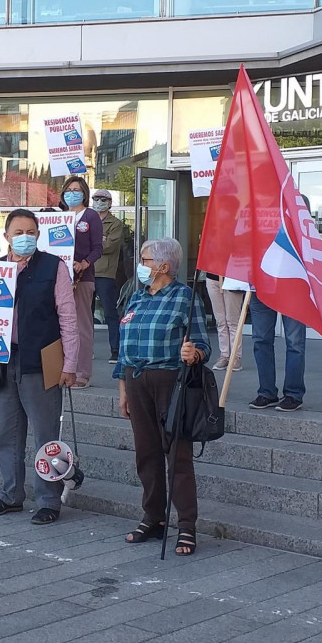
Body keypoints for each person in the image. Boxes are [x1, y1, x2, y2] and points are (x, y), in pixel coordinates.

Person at [0, 210, 78, 524]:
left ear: (38, 235)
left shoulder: (53, 267)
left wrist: (70, 364)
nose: (25, 236)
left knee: (46, 437)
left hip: (42, 361)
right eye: (18, 231)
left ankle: (49, 501)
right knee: (7, 434)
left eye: (31, 230)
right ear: (6, 236)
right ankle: (11, 494)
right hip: (3, 361)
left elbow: (68, 319)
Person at [116, 238, 209, 557]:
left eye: (144, 259)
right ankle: (153, 517)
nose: (139, 264)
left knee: (177, 456)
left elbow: (203, 344)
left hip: (171, 382)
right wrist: (123, 387)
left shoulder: (185, 297)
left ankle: (186, 525)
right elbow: (125, 345)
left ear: (163, 266)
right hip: (137, 381)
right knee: (146, 453)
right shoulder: (136, 297)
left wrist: (193, 352)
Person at [60, 176, 103, 387]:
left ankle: (82, 372)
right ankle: (64, 367)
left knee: (82, 326)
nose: (72, 193)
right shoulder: (59, 217)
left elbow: (98, 248)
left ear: (84, 192)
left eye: (77, 189)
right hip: (60, 279)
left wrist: (84, 264)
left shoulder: (91, 216)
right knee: (62, 325)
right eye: (69, 189)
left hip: (82, 278)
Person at [91, 188, 128, 364]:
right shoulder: (86, 220)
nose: (99, 201)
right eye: (96, 198)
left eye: (103, 199)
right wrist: (100, 240)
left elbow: (110, 247)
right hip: (85, 271)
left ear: (109, 203)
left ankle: (115, 350)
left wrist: (91, 243)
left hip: (105, 273)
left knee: (110, 313)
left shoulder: (116, 223)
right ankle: (85, 350)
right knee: (84, 314)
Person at [204, 272, 246, 372]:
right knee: (220, 321)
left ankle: (235, 357)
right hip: (212, 276)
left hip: (232, 276)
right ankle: (224, 355)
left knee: (233, 321)